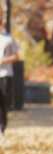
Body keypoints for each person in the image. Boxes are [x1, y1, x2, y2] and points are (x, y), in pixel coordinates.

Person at [0, 8, 19, 137]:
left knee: (3, 103)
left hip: (6, 75)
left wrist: (3, 60)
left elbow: (17, 57)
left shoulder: (8, 38)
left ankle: (2, 127)